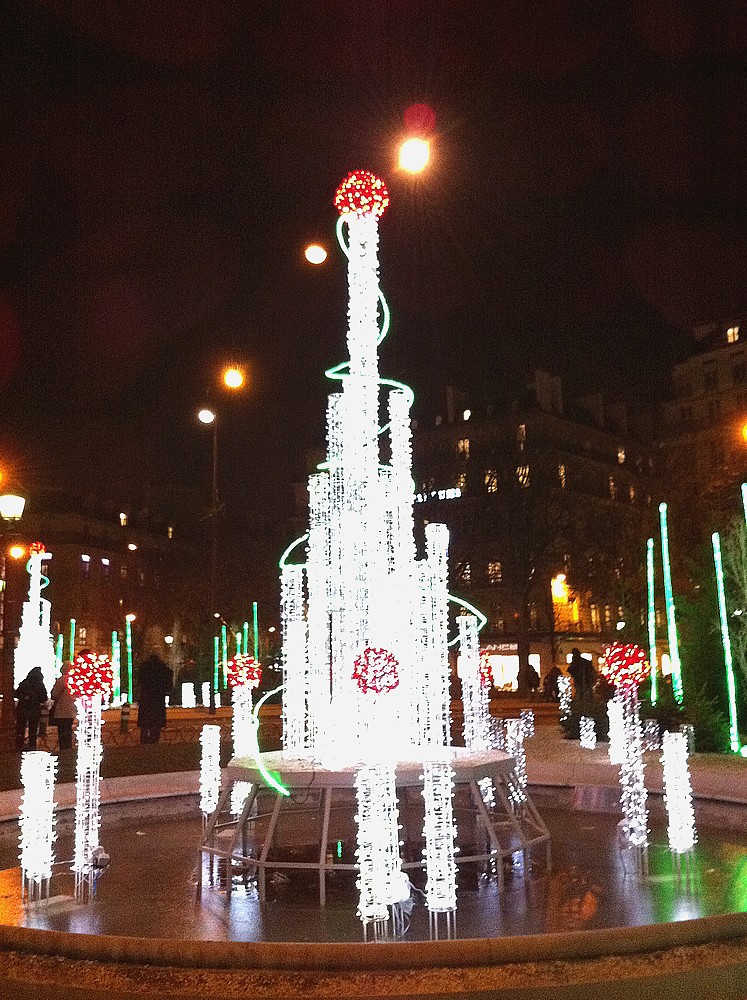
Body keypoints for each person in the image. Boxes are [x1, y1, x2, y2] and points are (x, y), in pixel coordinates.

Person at [136, 653, 172, 744]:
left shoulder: (144, 667)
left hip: (146, 696)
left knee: (145, 721)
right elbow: (168, 684)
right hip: (158, 697)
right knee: (156, 722)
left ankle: (144, 740)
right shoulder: (163, 668)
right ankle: (154, 740)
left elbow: (140, 681)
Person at [14, 666, 48, 750]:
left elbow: (16, 694)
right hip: (34, 709)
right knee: (33, 728)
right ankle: (32, 745)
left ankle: (19, 744)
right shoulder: (40, 684)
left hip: (22, 708)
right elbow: (44, 698)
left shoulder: (24, 682)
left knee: (20, 727)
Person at [50, 661, 77, 750]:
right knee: (68, 729)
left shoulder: (62, 679)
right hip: (72, 710)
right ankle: (68, 747)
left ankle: (64, 748)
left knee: (62, 730)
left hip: (62, 710)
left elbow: (54, 693)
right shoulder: (75, 680)